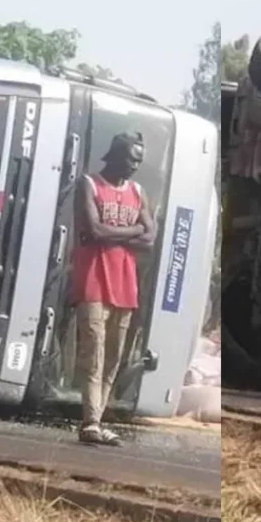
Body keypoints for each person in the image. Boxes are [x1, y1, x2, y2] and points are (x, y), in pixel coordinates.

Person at [72, 131, 156, 445]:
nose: (135, 166)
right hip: (93, 281)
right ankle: (91, 422)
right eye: (132, 159)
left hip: (125, 285)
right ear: (116, 155)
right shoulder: (89, 184)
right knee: (93, 353)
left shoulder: (138, 192)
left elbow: (150, 239)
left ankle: (96, 420)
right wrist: (134, 230)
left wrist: (113, 233)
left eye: (139, 161)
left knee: (113, 358)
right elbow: (93, 230)